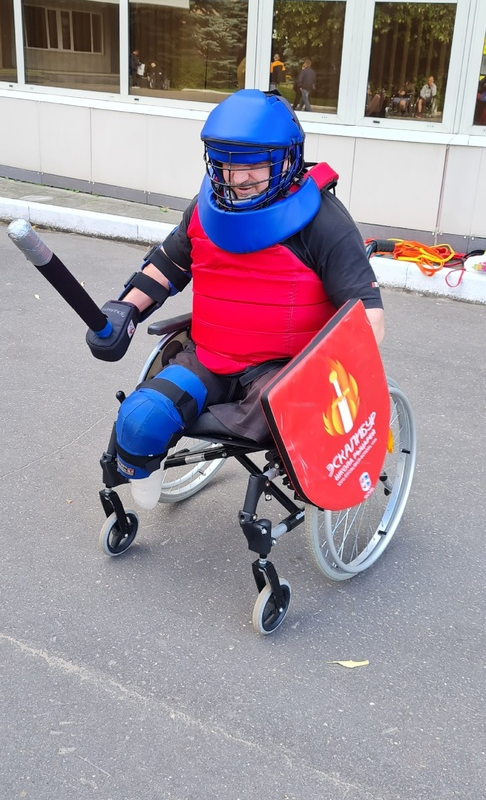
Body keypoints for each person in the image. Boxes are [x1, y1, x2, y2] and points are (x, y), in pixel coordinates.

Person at [86, 89, 385, 510]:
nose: (237, 179)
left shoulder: (323, 221)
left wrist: (329, 383)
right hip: (209, 359)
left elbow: (368, 318)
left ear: (287, 160)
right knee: (141, 419)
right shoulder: (205, 209)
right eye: (226, 164)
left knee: (288, 427)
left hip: (285, 373)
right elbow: (167, 267)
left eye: (253, 165)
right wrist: (125, 309)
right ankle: (141, 500)